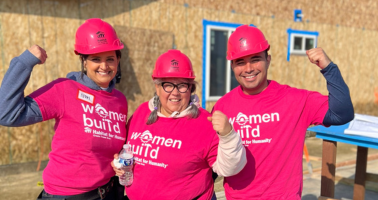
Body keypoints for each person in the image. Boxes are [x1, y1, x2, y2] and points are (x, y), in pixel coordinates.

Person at [212, 25, 354, 199]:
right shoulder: (222, 107)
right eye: (240, 62)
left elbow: (342, 114)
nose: (248, 68)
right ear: (232, 66)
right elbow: (212, 159)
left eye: (255, 59)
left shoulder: (296, 100)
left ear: (268, 60)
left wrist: (329, 68)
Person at [0, 18, 127, 200]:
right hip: (66, 195)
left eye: (110, 59)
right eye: (95, 59)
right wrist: (24, 63)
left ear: (118, 60)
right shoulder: (64, 90)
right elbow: (6, 114)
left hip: (107, 192)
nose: (104, 66)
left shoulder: (119, 100)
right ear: (83, 61)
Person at [111, 49, 247, 200]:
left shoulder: (205, 123)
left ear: (190, 88)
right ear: (157, 87)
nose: (175, 92)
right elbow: (128, 149)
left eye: (182, 85)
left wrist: (228, 135)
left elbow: (230, 168)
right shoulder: (142, 112)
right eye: (167, 85)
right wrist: (120, 162)